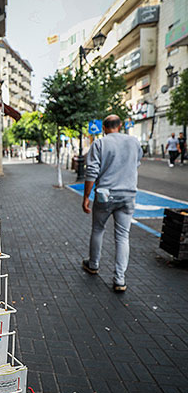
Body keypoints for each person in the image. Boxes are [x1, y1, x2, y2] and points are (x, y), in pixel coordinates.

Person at [82, 115, 142, 292]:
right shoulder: (134, 142)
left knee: (98, 229)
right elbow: (136, 163)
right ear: (120, 125)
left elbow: (92, 172)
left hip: (105, 195)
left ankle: (93, 264)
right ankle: (120, 279)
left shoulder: (100, 143)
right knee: (123, 236)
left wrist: (86, 197)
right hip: (128, 194)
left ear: (104, 127)